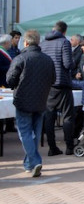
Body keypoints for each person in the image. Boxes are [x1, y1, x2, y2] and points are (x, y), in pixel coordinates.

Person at [7, 29, 55, 177]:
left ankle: (34, 161)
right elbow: (53, 79)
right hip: (41, 100)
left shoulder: (21, 58)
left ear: (26, 42)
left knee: (25, 133)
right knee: (34, 132)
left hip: (23, 101)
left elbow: (10, 80)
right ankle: (30, 164)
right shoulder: (47, 59)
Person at [40, 20, 76, 156]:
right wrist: (73, 64)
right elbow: (67, 64)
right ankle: (69, 147)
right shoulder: (64, 42)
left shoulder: (43, 43)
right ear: (64, 31)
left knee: (49, 116)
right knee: (67, 116)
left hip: (48, 84)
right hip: (62, 83)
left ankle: (52, 147)